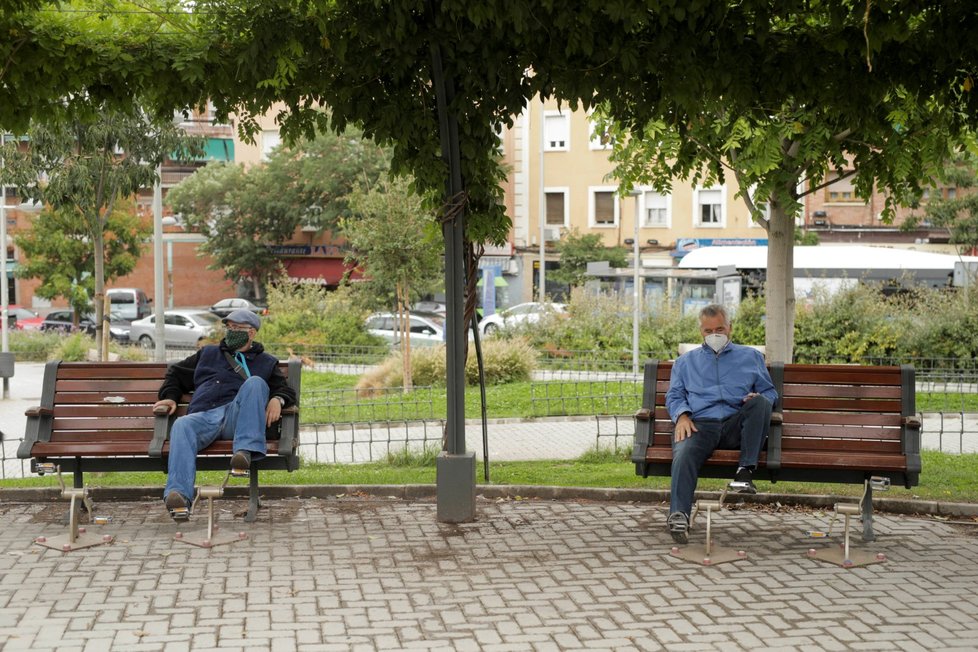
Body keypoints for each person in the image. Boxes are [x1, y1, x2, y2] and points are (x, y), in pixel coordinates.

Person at [153, 309, 296, 521]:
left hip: (236, 419)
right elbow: (176, 374)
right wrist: (171, 396)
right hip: (204, 416)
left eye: (237, 328)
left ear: (251, 333)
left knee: (256, 382)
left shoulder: (266, 362)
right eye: (229, 327)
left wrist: (278, 399)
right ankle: (179, 496)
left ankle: (243, 455)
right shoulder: (208, 354)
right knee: (182, 424)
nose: (231, 332)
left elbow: (285, 390)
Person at [664, 304, 777, 544]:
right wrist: (682, 415)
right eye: (708, 330)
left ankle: (745, 472)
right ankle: (679, 515)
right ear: (701, 332)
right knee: (683, 450)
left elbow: (770, 392)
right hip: (700, 424)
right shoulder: (685, 362)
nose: (715, 334)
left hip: (737, 424)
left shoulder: (751, 357)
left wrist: (759, 398)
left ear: (730, 329)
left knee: (761, 403)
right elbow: (674, 396)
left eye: (720, 329)